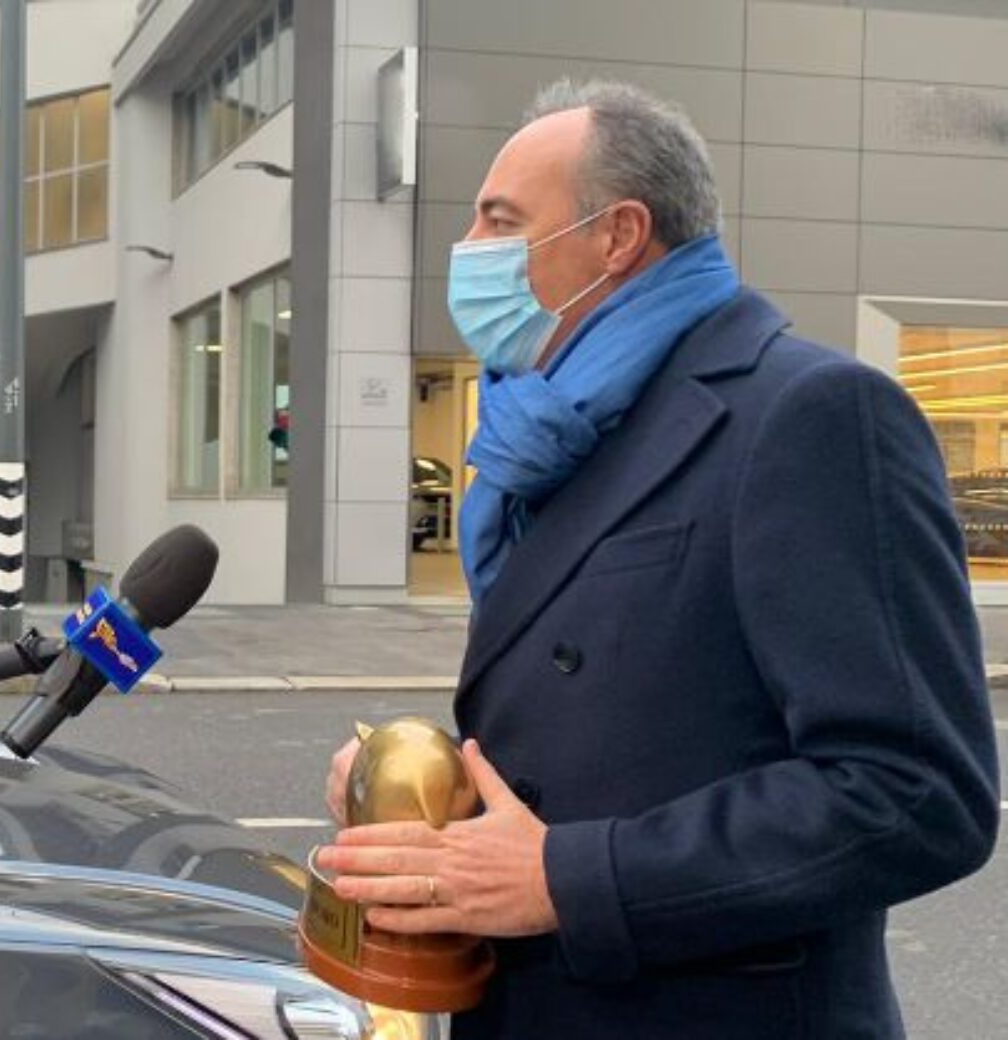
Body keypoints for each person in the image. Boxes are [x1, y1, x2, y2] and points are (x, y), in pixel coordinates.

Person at [317, 80, 999, 1039]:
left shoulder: (808, 413)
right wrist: (414, 781)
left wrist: (565, 877)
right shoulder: (557, 431)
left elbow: (916, 794)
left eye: (501, 220)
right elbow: (620, 717)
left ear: (617, 235)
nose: (470, 246)